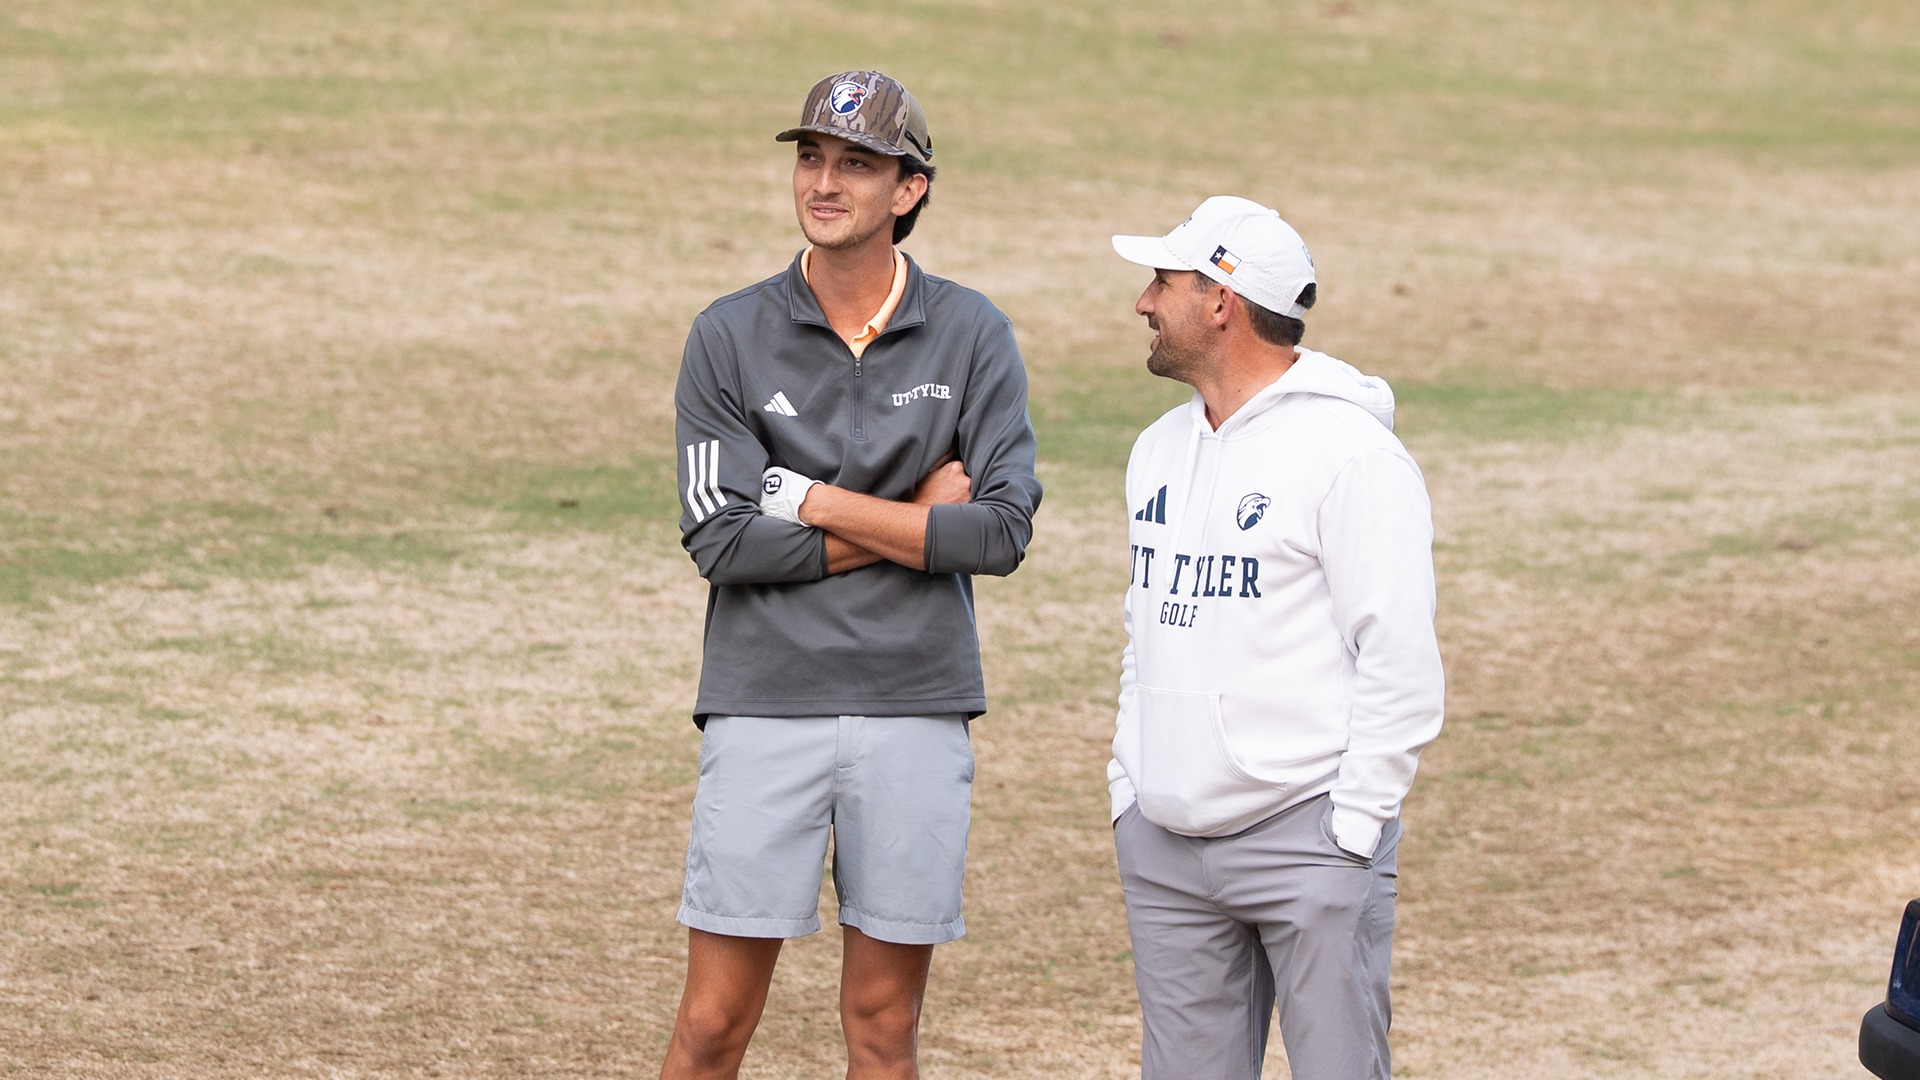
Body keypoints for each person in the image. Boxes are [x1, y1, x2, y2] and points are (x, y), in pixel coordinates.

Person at [663, 70, 1042, 1080]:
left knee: (883, 1027)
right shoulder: (727, 335)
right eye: (813, 158)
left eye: (858, 165)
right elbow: (723, 543)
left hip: (915, 705)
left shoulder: (973, 332)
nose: (826, 183)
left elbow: (1002, 530)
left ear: (909, 190)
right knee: (711, 1026)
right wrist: (916, 520)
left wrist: (821, 503)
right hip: (764, 707)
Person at [1105, 196, 1445, 1080]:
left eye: (1163, 282)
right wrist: (1130, 790)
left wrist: (1354, 833)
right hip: (1167, 847)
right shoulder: (1154, 450)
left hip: (1309, 843)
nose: (1144, 301)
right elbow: (1146, 632)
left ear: (1221, 299)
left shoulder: (1351, 456)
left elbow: (1399, 659)